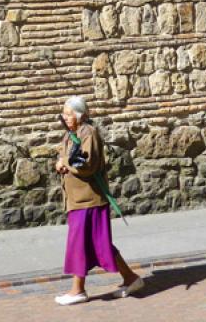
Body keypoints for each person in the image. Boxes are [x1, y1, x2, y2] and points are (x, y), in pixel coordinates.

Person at [54, 95, 144, 306]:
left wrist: (64, 162)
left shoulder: (89, 133)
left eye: (68, 114)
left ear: (80, 115)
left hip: (89, 199)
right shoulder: (71, 134)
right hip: (77, 199)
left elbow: (87, 164)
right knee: (97, 243)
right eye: (64, 114)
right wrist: (60, 162)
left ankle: (78, 290)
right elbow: (66, 157)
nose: (65, 117)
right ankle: (131, 278)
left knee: (82, 243)